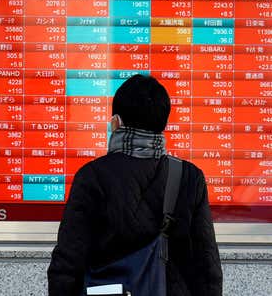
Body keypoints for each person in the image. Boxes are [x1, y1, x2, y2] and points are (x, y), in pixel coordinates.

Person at [47, 74, 222, 295]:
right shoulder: (189, 177)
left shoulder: (92, 176)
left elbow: (67, 264)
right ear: (163, 123)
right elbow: (207, 268)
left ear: (116, 123)